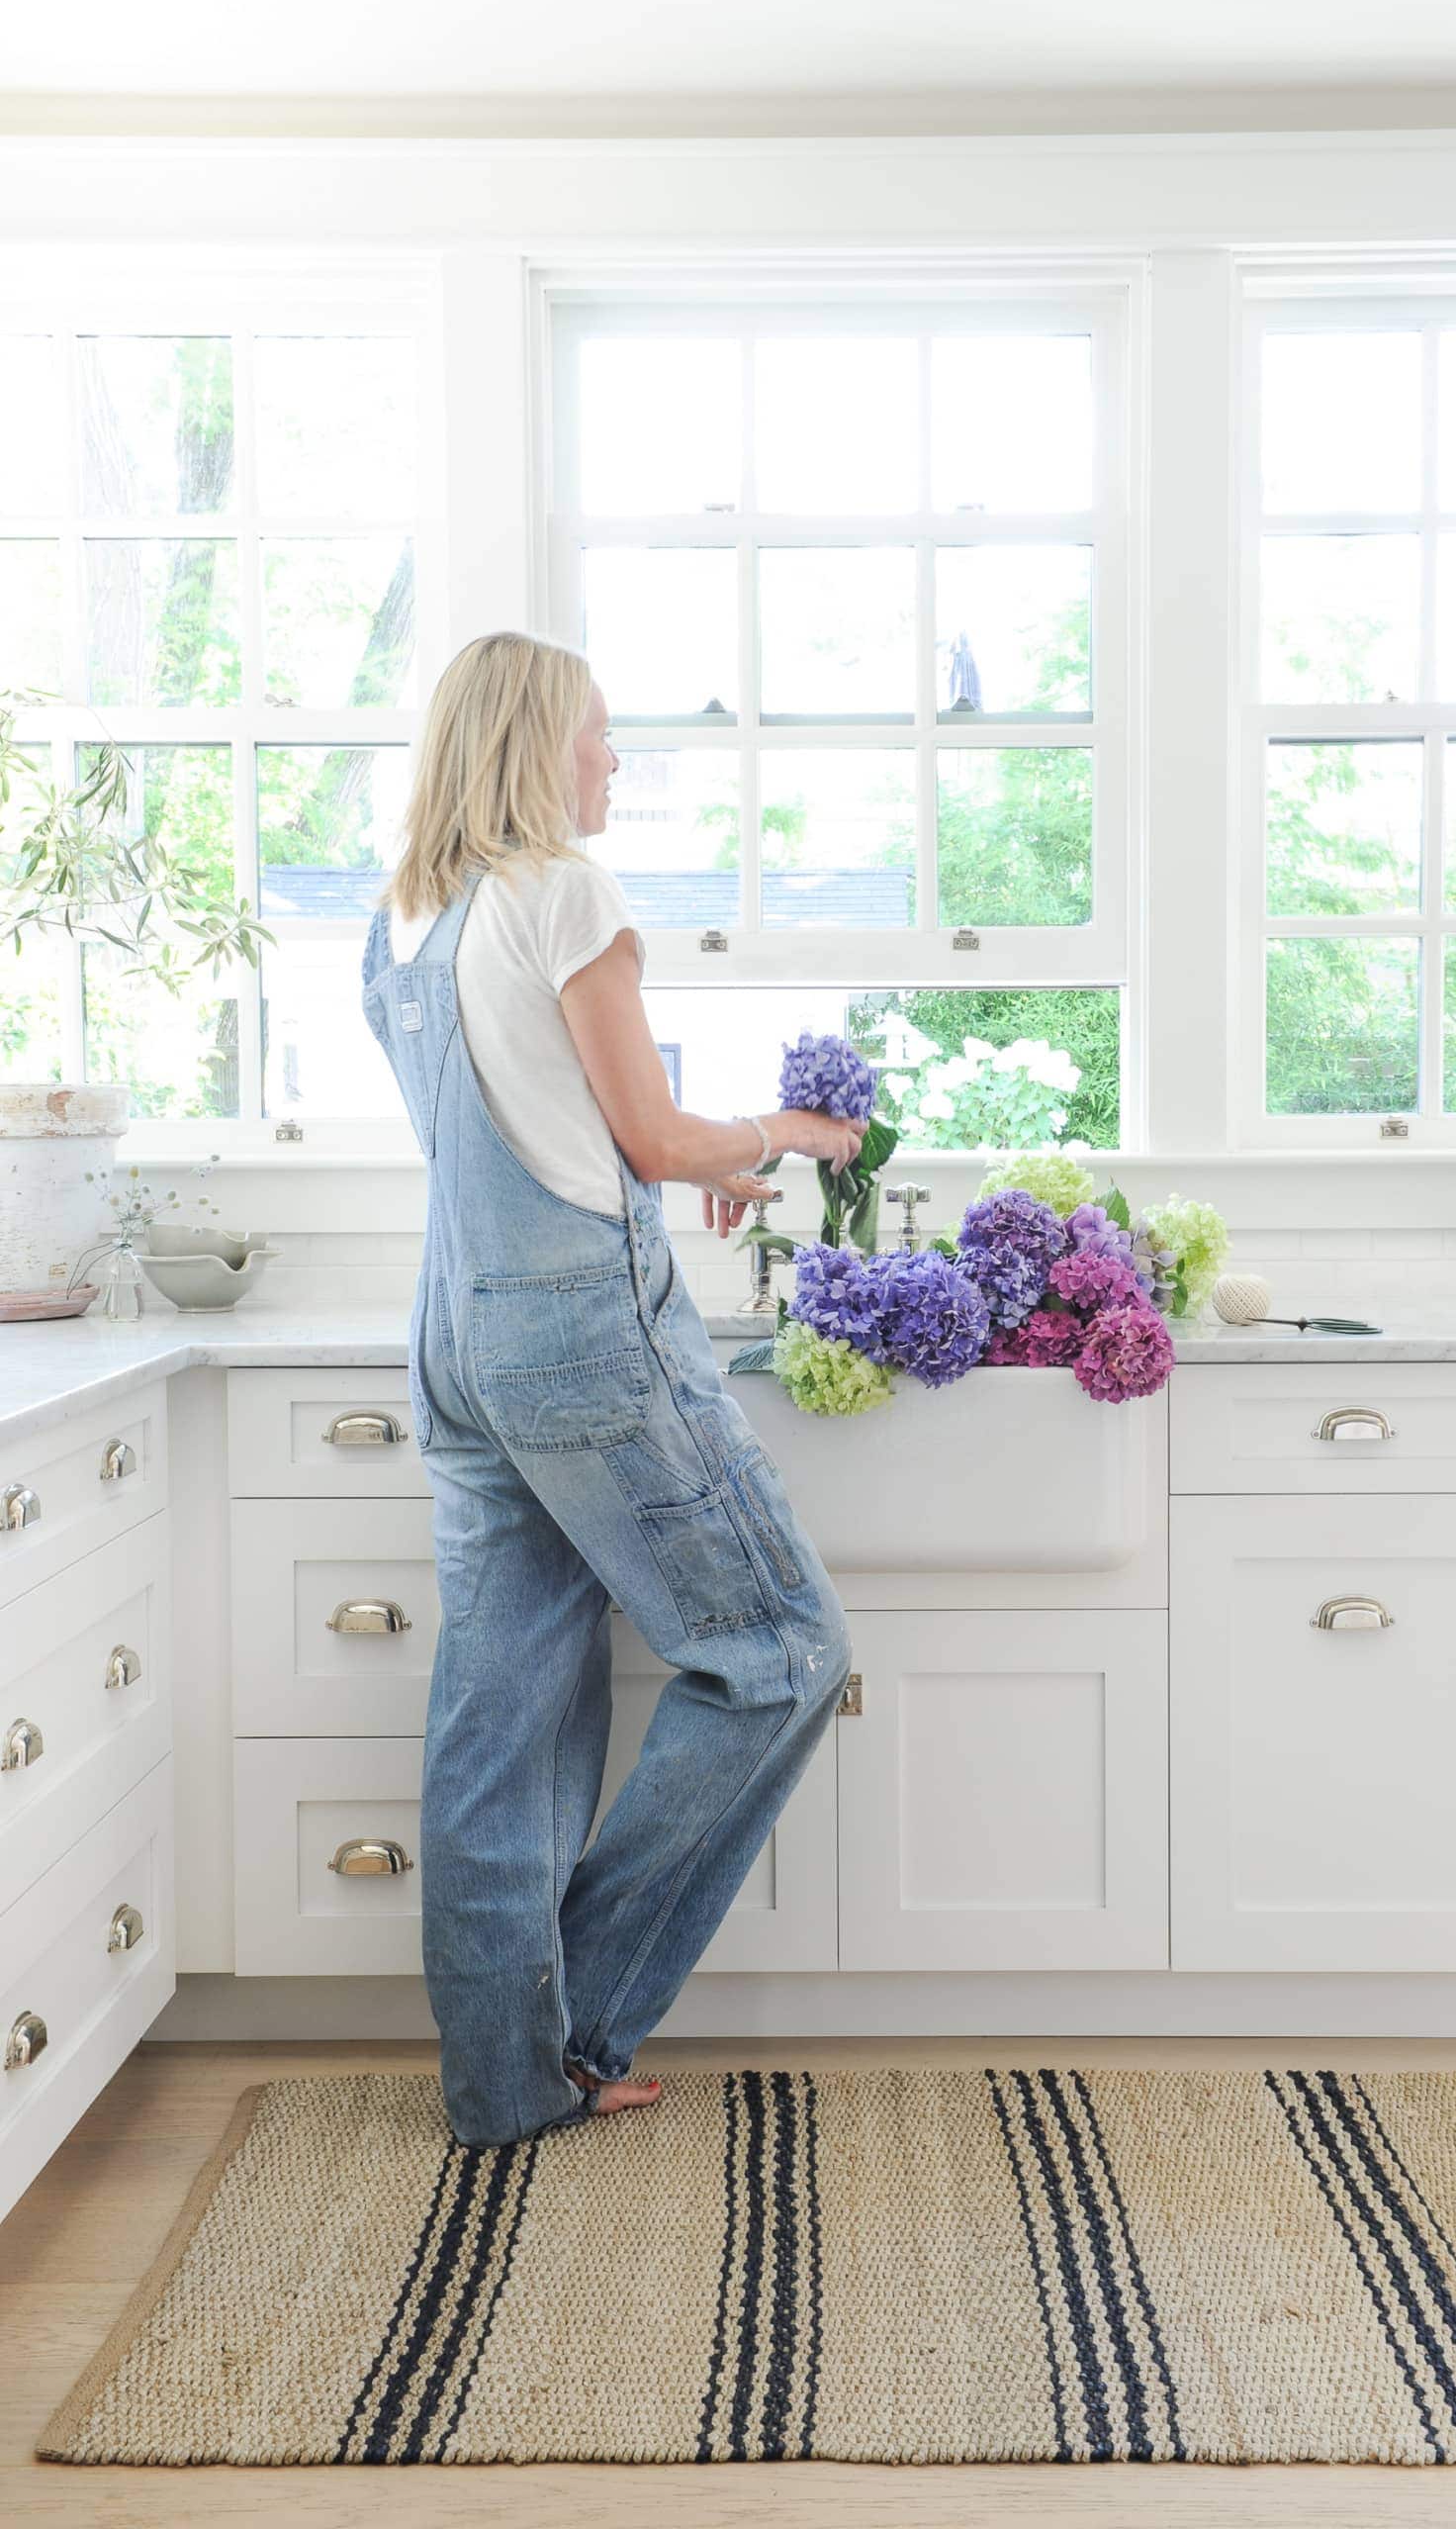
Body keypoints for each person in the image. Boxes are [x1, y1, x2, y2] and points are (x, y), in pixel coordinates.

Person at [362, 629, 861, 2148]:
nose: (613, 758)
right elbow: (644, 1140)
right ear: (533, 745)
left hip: (461, 1334)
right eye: (597, 731)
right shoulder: (565, 890)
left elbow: (554, 1118)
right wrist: (781, 1135)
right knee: (779, 1653)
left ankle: (505, 2080)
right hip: (583, 1333)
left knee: (496, 1718)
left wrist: (697, 1149)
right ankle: (578, 2014)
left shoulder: (406, 919)